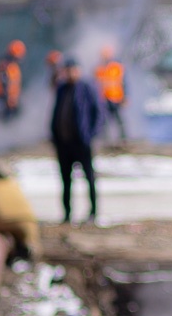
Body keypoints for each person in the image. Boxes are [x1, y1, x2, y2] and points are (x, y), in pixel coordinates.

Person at [49, 57, 104, 225]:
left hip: (81, 142)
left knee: (89, 178)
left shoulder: (87, 88)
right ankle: (67, 214)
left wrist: (90, 134)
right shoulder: (62, 89)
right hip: (64, 144)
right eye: (68, 70)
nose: (71, 74)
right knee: (66, 180)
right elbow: (56, 113)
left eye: (73, 70)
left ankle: (93, 213)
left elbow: (99, 113)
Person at [94, 46, 128, 145]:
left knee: (119, 119)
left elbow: (124, 82)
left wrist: (125, 96)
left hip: (116, 98)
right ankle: (106, 140)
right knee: (104, 121)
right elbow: (96, 85)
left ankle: (123, 138)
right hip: (104, 99)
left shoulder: (116, 67)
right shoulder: (99, 69)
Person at [0, 40, 26, 119]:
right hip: (4, 101)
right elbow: (4, 83)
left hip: (12, 101)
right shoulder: (5, 65)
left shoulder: (13, 65)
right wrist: (7, 100)